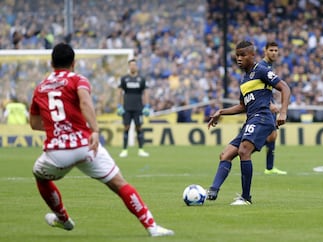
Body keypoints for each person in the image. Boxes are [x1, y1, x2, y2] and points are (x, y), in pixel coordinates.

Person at [29, 43, 174, 237]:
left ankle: (62, 218)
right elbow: (85, 102)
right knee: (119, 183)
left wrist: (58, 129)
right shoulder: (78, 80)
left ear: (51, 63)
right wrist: (95, 130)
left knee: (40, 176)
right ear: (73, 63)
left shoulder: (40, 88)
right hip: (86, 146)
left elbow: (34, 123)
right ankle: (152, 226)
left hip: (57, 153)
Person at [206, 40, 290, 205]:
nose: (239, 59)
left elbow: (285, 87)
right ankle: (212, 191)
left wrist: (283, 111)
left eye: (242, 55)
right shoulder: (244, 81)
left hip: (263, 117)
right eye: (237, 55)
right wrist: (221, 112)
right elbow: (243, 106)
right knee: (225, 154)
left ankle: (245, 198)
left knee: (244, 151)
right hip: (251, 119)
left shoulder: (261, 70)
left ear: (252, 55)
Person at [259, 42, 287, 175]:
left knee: (272, 136)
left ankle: (269, 168)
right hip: (263, 107)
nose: (274, 53)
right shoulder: (262, 67)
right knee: (270, 135)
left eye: (276, 50)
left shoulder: (269, 67)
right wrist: (268, 104)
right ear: (265, 51)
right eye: (271, 50)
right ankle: (242, 150)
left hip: (268, 105)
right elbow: (257, 88)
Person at [117, 59, 150, 158]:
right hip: (126, 108)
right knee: (126, 127)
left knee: (139, 128)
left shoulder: (141, 79)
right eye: (131, 65)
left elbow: (145, 93)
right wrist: (119, 106)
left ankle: (141, 150)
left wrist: (147, 106)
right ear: (129, 67)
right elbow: (119, 92)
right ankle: (124, 150)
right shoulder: (124, 79)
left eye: (134, 65)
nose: (133, 67)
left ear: (137, 67)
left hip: (138, 108)